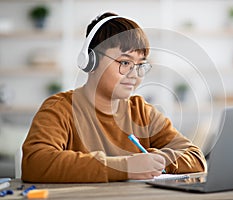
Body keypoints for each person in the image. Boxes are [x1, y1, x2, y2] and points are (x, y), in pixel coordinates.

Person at [21, 12, 207, 183]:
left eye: (140, 65)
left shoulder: (142, 112)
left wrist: (159, 161)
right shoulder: (60, 109)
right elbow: (35, 163)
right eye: (125, 62)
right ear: (91, 60)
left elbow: (196, 158)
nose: (134, 74)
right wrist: (125, 166)